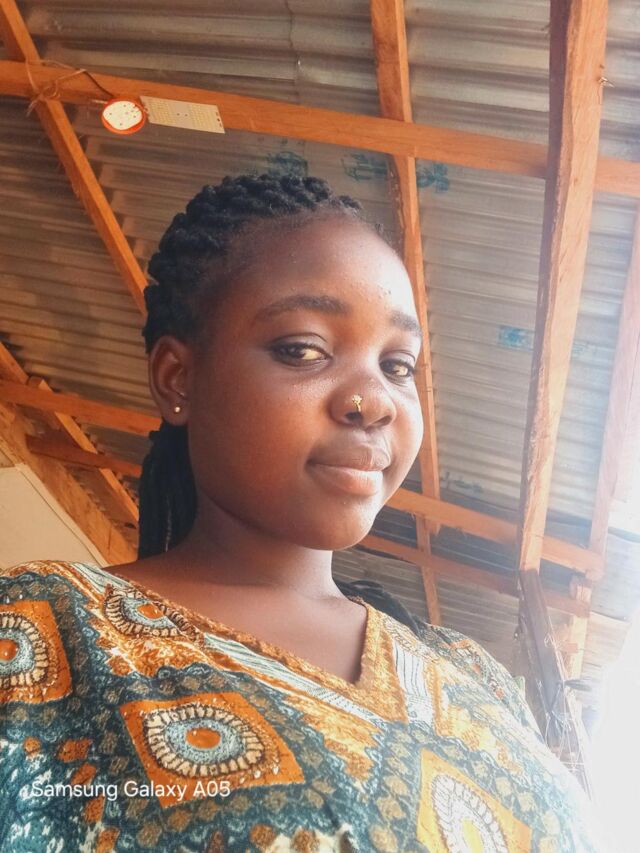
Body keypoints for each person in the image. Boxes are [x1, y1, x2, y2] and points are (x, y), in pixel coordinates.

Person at [0, 173, 601, 852]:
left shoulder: (476, 674)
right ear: (177, 378)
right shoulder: (42, 633)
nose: (374, 401)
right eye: (304, 349)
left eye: (398, 365)